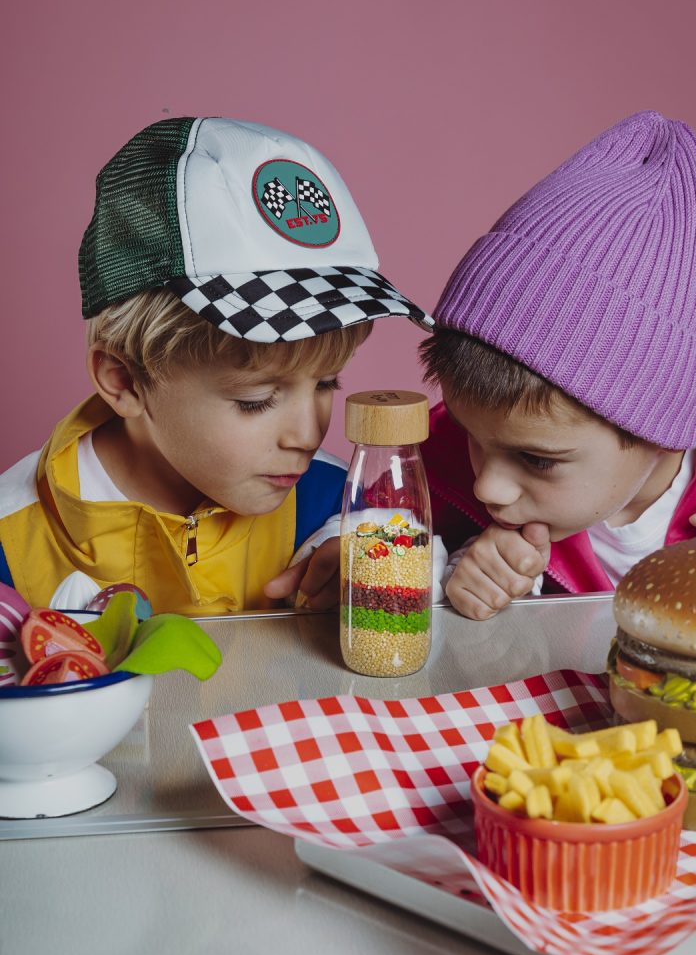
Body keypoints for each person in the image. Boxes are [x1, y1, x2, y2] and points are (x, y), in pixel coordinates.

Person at [0, 116, 432, 614]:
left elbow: (429, 576)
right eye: (257, 400)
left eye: (326, 382)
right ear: (125, 380)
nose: (306, 436)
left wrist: (372, 570)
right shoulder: (13, 540)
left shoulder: (336, 500)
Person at [418, 111, 696, 620]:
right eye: (471, 435)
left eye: (537, 460)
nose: (488, 486)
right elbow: (366, 543)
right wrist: (461, 578)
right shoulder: (454, 451)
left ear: (663, 426)